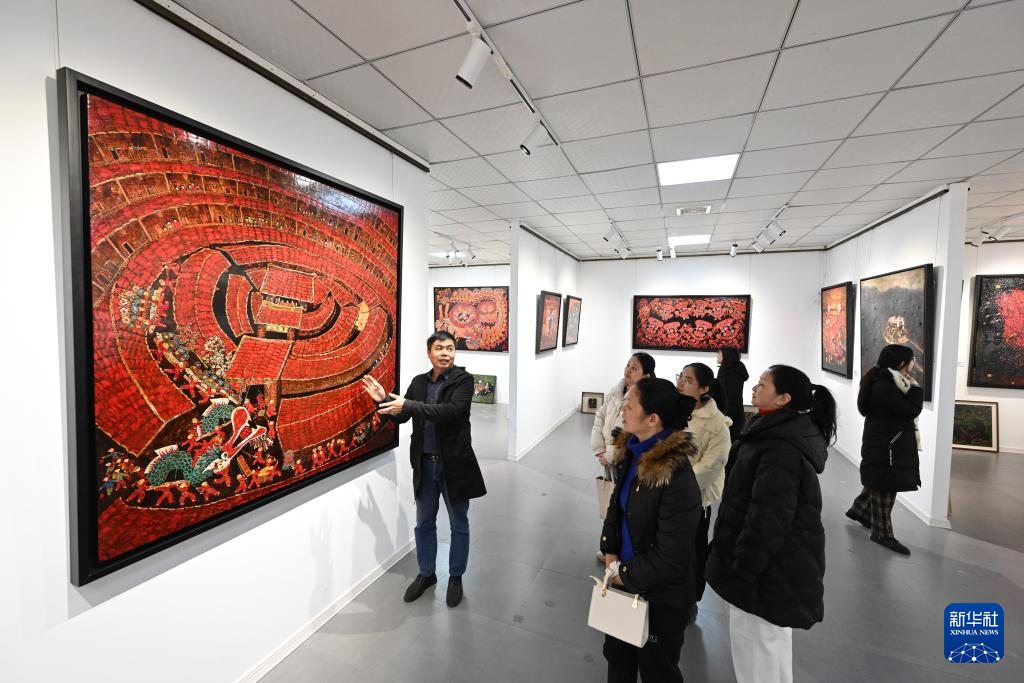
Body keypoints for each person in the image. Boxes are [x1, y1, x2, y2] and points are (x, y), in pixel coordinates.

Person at [706, 365, 835, 683]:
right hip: (773, 567)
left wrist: (744, 569)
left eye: (763, 384)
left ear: (783, 399)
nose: (754, 388)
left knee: (757, 649)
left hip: (766, 571)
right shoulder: (774, 433)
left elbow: (768, 519)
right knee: (767, 648)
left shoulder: (779, 448)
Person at [362, 331, 486, 608]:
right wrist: (382, 400)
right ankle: (427, 573)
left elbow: (450, 411)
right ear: (429, 353)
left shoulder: (463, 380)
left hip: (454, 465)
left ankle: (456, 577)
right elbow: (403, 416)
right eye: (439, 348)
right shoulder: (419, 382)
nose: (445, 353)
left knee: (459, 524)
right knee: (424, 523)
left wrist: (408, 404)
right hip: (425, 465)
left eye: (450, 348)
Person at [600, 377, 701, 683]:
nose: (622, 410)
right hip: (623, 579)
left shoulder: (676, 476)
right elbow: (616, 508)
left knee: (657, 668)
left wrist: (623, 574)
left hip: (660, 596)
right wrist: (610, 552)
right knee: (618, 659)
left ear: (653, 419)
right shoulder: (631, 452)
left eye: (630, 405)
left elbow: (672, 556)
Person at [845, 344, 923, 556]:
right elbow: (910, 410)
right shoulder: (886, 385)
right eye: (911, 361)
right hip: (888, 444)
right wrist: (916, 388)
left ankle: (860, 511)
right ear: (902, 363)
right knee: (886, 484)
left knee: (879, 477)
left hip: (885, 441)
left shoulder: (883, 379)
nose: (913, 365)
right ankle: (882, 534)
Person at [675, 362, 732, 624]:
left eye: (688, 380)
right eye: (680, 377)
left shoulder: (717, 424)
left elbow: (711, 466)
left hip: (694, 499)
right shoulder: (673, 410)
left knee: (692, 552)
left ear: (704, 389)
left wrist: (676, 485)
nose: (680, 382)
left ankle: (690, 601)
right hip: (664, 494)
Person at [591, 352, 656, 562]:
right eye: (628, 365)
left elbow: (629, 431)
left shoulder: (645, 399)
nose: (628, 370)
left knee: (626, 506)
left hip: (627, 459)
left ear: (646, 375)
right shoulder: (616, 390)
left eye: (634, 368)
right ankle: (610, 549)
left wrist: (610, 455)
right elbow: (600, 416)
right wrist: (599, 448)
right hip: (608, 456)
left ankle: (624, 554)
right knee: (613, 505)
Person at [716, 346, 749, 443]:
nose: (717, 355)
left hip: (731, 419)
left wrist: (725, 420)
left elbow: (733, 399)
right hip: (727, 416)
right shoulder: (726, 370)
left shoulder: (733, 374)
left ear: (727, 355)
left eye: (719, 353)